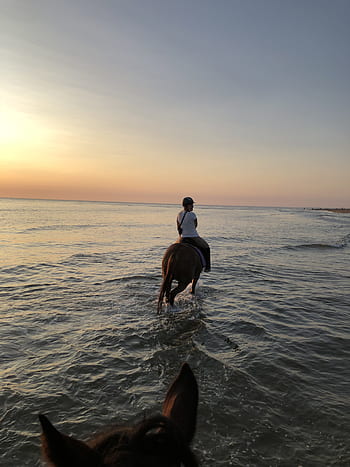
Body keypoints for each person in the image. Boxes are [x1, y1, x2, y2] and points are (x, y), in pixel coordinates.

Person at [177, 196, 211, 272]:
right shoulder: (193, 215)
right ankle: (207, 267)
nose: (193, 206)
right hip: (193, 236)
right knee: (206, 248)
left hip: (182, 238)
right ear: (186, 205)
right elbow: (195, 226)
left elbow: (178, 227)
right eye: (191, 204)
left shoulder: (179, 214)